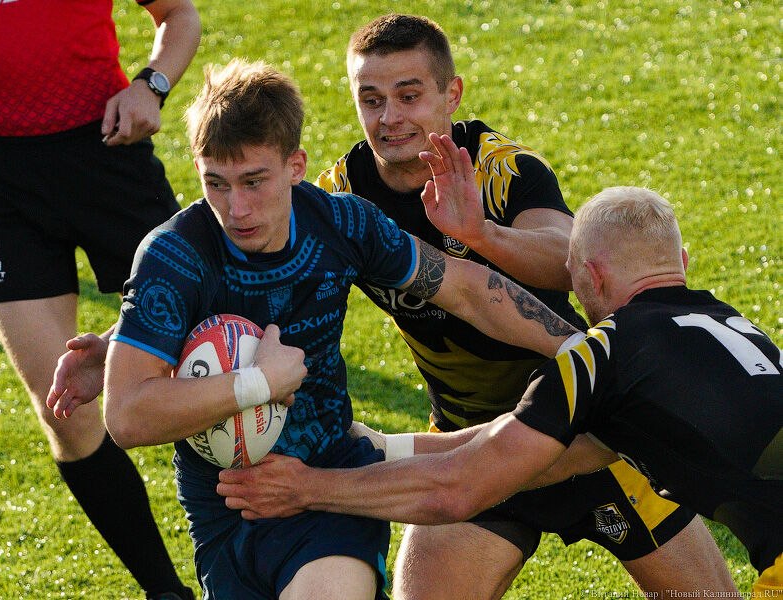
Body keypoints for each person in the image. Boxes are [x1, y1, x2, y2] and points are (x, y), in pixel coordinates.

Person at [98, 58, 580, 600]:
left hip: (330, 494)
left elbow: (468, 290)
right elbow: (126, 417)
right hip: (227, 507)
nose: (236, 208)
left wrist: (584, 350)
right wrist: (257, 383)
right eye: (216, 183)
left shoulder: (343, 223)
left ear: (295, 165)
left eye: (254, 181)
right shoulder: (174, 255)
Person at [313, 14, 734, 599]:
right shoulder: (341, 198)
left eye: (409, 96)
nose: (389, 118)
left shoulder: (504, 170)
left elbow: (567, 256)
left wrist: (482, 234)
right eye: (371, 99)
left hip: (588, 432)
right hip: (469, 442)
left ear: (451, 94)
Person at [218, 185, 783, 596]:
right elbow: (567, 457)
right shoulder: (741, 331)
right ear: (680, 262)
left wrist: (308, 488)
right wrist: (380, 447)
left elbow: (457, 489)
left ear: (589, 276)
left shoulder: (603, 356)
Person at [0, 2, 201, 598]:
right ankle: (166, 592)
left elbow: (178, 14)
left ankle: (271, 559)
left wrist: (150, 86)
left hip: (106, 149)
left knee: (210, 354)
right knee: (65, 412)